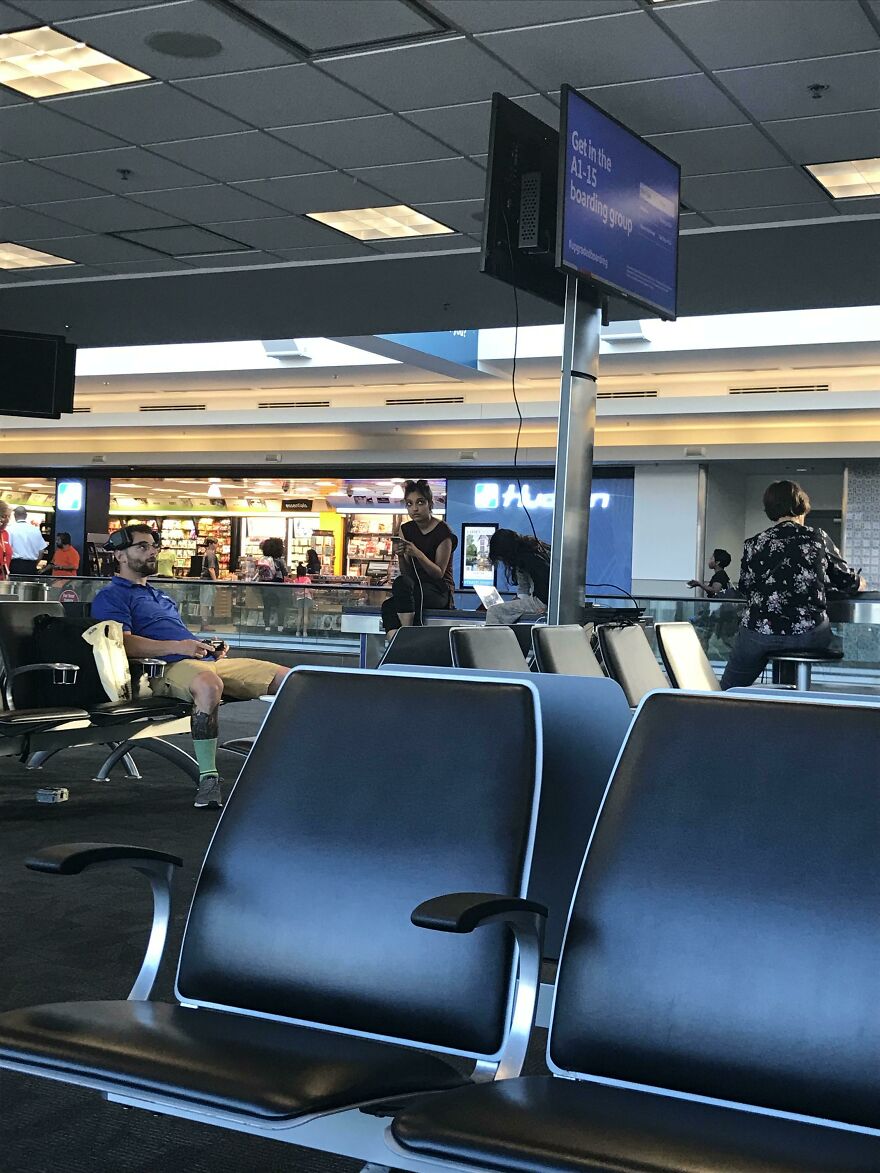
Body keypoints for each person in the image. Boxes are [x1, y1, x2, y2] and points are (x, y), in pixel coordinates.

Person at [91, 524, 290, 809]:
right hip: (161, 670)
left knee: (291, 679)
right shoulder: (111, 597)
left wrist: (204, 645)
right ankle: (208, 778)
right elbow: (122, 644)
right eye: (142, 547)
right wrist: (179, 647)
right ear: (120, 556)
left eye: (153, 547)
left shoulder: (160, 596)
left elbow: (179, 638)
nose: (152, 552)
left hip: (199, 662)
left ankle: (292, 761)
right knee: (209, 685)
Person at [720, 480, 864, 690]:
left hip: (758, 633)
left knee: (729, 687)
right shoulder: (817, 538)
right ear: (801, 506)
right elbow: (845, 580)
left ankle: (724, 712)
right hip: (808, 633)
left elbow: (746, 586)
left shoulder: (754, 543)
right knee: (824, 638)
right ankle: (796, 700)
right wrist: (860, 582)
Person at [380, 479, 456, 634]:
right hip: (413, 587)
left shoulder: (443, 532)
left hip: (438, 590)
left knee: (396, 604)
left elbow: (438, 573)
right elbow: (406, 573)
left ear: (429, 503)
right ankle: (397, 643)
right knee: (394, 595)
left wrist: (418, 554)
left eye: (420, 503)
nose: (414, 509)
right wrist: (401, 555)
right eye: (409, 504)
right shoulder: (406, 529)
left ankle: (407, 634)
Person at [485, 528, 550, 625]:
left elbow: (542, 591)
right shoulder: (531, 553)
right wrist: (518, 601)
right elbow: (524, 587)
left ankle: (493, 640)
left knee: (494, 612)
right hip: (543, 600)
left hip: (541, 602)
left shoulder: (528, 559)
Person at [257, 536, 288, 633]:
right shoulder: (280, 561)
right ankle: (280, 627)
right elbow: (285, 573)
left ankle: (267, 627)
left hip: (265, 586)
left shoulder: (263, 560)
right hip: (278, 586)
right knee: (280, 606)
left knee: (267, 607)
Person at [7, 506, 45, 575]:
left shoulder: (10, 529)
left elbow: (7, 550)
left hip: (15, 565)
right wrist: (35, 563)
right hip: (31, 566)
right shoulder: (35, 530)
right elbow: (41, 551)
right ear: (26, 515)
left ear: (14, 515)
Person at [198, 537, 219, 632]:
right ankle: (205, 624)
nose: (217, 545)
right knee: (206, 603)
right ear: (210, 544)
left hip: (205, 581)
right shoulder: (210, 554)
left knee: (205, 602)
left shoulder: (207, 553)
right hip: (208, 581)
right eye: (215, 543)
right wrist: (215, 582)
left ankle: (204, 623)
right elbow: (211, 569)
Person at [292, 561, 313, 636]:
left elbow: (294, 592)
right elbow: (311, 590)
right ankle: (305, 632)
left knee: (299, 615)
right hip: (307, 598)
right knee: (305, 615)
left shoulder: (295, 581)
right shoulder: (307, 579)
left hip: (299, 598)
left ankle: (297, 631)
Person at [0, 501, 11, 580]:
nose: (7, 520)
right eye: (4, 516)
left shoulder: (5, 534)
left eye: (9, 517)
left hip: (3, 580)